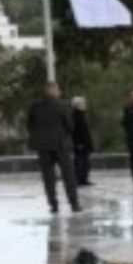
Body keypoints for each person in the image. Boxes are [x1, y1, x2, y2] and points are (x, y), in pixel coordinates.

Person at [26, 81, 80, 214]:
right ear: (55, 91)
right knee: (68, 175)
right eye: (57, 90)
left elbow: (29, 125)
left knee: (48, 178)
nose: (59, 92)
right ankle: (74, 204)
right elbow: (70, 126)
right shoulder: (63, 105)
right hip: (61, 145)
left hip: (43, 146)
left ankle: (53, 205)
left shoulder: (35, 106)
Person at [71, 95, 95, 187]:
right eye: (83, 103)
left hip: (85, 143)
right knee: (80, 162)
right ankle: (78, 180)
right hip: (80, 144)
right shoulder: (75, 116)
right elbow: (75, 131)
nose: (85, 105)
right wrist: (78, 143)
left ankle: (84, 179)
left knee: (85, 162)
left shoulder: (82, 115)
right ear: (77, 105)